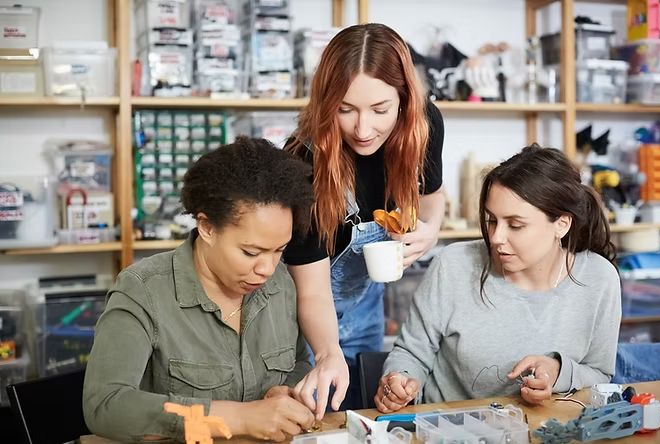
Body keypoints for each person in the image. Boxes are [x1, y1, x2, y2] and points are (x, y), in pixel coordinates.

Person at [83, 136, 317, 443]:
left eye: (279, 250)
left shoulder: (280, 284)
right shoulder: (143, 291)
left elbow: (299, 362)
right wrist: (239, 417)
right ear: (207, 228)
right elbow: (105, 406)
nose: (267, 269)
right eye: (250, 252)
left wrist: (286, 391)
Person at [376, 145, 621, 412]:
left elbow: (600, 374)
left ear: (561, 224)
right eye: (492, 220)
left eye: (515, 225)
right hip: (448, 430)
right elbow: (411, 354)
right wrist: (399, 381)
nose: (496, 238)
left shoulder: (599, 279)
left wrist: (558, 371)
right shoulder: (453, 265)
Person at [282, 22, 446, 414]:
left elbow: (433, 196)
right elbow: (313, 292)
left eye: (380, 110)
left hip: (367, 304)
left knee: (361, 417)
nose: (363, 128)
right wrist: (326, 353)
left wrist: (431, 230)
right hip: (302, 315)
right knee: (310, 419)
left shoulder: (423, 125)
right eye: (345, 109)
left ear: (404, 99)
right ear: (326, 102)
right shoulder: (304, 162)